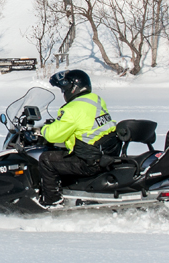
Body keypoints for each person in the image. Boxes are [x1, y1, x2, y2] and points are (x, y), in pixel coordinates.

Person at [37, 69, 119, 207]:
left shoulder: (72, 109)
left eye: (64, 90)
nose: (63, 93)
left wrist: (42, 129)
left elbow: (52, 136)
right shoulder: (96, 100)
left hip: (89, 161)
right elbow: (85, 124)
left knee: (46, 160)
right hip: (106, 153)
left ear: (73, 89)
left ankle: (52, 202)